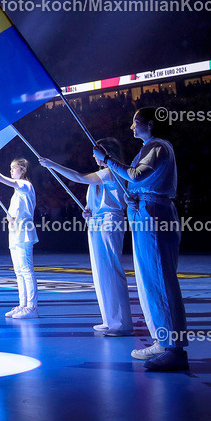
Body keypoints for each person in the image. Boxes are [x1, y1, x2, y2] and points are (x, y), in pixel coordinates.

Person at [95, 107, 188, 371]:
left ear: (150, 123)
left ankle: (175, 349)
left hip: (155, 216)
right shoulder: (148, 147)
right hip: (145, 213)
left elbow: (136, 175)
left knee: (161, 279)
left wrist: (109, 160)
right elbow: (137, 183)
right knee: (151, 281)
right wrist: (130, 195)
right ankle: (164, 340)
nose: (132, 127)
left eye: (135, 122)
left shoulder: (158, 146)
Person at [41, 139, 133, 336]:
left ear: (107, 152)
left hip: (110, 221)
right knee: (100, 273)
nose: (93, 156)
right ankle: (110, 319)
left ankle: (122, 323)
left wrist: (53, 165)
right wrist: (88, 212)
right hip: (96, 223)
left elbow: (80, 177)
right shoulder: (102, 175)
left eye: (97, 152)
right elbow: (93, 203)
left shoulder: (111, 171)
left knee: (111, 270)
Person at [0, 158, 39, 319]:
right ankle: (23, 304)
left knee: (26, 271)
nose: (11, 171)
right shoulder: (18, 191)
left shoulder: (25, 185)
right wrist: (11, 217)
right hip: (15, 233)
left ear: (23, 170)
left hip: (24, 233)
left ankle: (32, 307)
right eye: (10, 168)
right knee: (19, 271)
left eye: (14, 168)